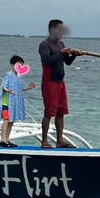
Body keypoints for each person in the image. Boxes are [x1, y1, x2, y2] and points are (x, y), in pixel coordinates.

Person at [38, 19, 79, 148]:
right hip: (49, 82)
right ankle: (44, 141)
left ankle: (59, 140)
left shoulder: (61, 44)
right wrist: (61, 53)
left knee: (61, 112)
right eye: (59, 29)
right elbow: (47, 61)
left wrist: (74, 55)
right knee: (49, 113)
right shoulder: (44, 45)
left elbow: (67, 62)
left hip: (60, 83)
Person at [0, 55, 36, 147]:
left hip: (14, 103)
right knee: (6, 120)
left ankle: (7, 139)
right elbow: (3, 86)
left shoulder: (18, 77)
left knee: (11, 121)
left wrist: (28, 88)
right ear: (12, 65)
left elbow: (20, 89)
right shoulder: (9, 75)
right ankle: (3, 139)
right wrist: (8, 90)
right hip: (7, 102)